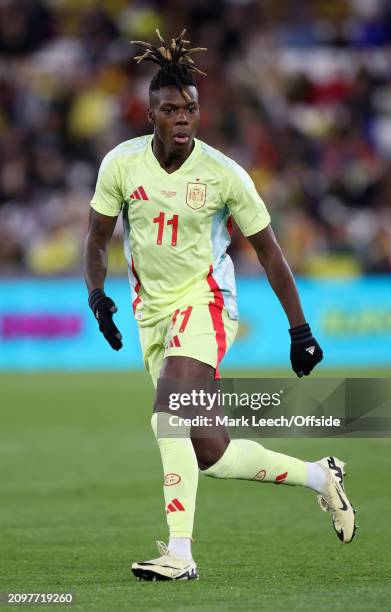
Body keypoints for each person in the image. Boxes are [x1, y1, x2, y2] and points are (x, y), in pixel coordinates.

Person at [84, 29, 356, 582]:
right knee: (212, 454)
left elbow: (271, 253)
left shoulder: (224, 173)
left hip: (206, 304)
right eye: (170, 110)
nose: (182, 119)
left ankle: (180, 554)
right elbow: (95, 241)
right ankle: (320, 476)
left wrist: (299, 329)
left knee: (170, 415)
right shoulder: (121, 165)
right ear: (150, 114)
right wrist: (97, 295)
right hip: (152, 315)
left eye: (191, 110)